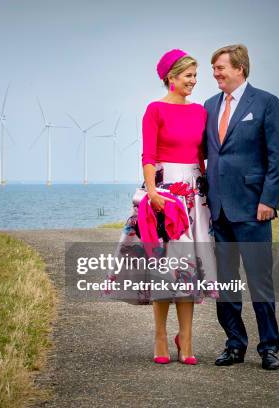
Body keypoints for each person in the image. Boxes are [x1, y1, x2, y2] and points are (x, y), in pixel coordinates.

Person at [109, 49, 218, 365]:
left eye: (196, 76)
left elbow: (201, 157)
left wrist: (206, 192)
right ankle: (160, 336)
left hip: (193, 195)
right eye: (188, 76)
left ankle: (186, 340)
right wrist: (153, 192)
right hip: (163, 191)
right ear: (171, 77)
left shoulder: (199, 112)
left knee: (187, 271)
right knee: (163, 270)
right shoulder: (154, 110)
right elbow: (148, 155)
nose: (193, 82)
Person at [203, 44, 279, 370]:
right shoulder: (209, 106)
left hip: (254, 210)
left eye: (220, 67)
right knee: (225, 283)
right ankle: (234, 344)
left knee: (259, 281)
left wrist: (269, 199)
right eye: (213, 69)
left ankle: (269, 347)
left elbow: (278, 156)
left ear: (239, 68)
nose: (215, 74)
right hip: (219, 211)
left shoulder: (266, 103)